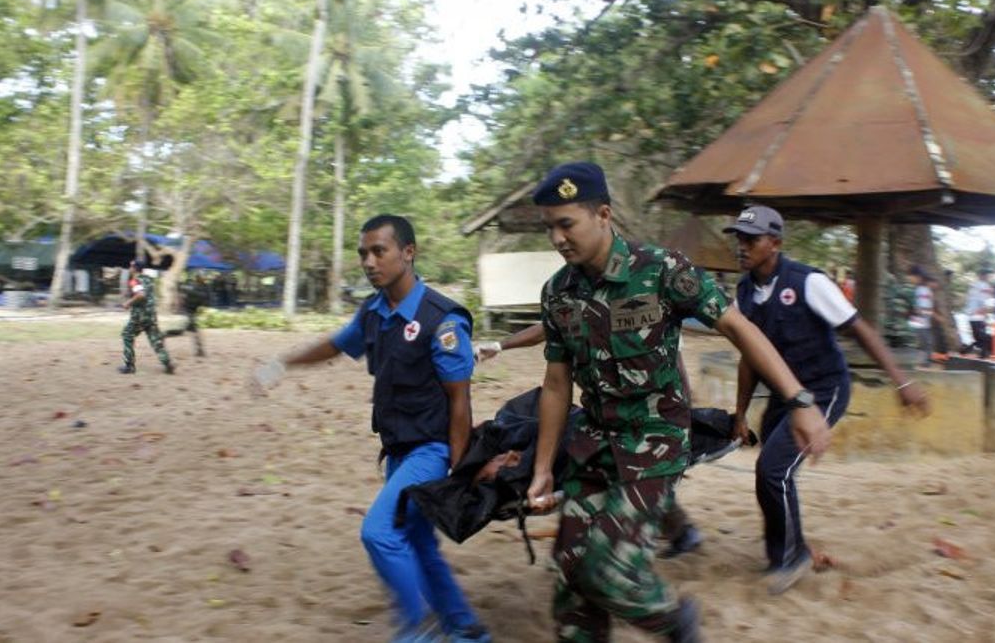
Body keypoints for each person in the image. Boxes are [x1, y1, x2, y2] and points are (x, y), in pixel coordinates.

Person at [523, 163, 832, 642]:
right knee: (570, 571)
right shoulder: (558, 293)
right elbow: (557, 382)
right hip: (593, 445)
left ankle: (675, 623)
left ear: (603, 215)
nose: (558, 238)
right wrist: (544, 465)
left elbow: (738, 328)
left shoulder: (662, 270)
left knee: (607, 568)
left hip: (654, 442)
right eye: (550, 227)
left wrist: (799, 400)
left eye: (567, 223)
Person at [249, 215, 491, 643]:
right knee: (418, 542)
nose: (369, 261)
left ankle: (419, 630)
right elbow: (337, 345)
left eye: (379, 250)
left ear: (408, 252)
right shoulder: (375, 312)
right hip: (397, 451)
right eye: (363, 252)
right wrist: (281, 363)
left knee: (378, 533)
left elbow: (460, 401)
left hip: (431, 451)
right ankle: (465, 627)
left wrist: (459, 470)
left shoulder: (442, 319)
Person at [723, 205, 930, 595]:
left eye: (751, 239)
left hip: (825, 388)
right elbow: (749, 359)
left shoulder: (808, 282)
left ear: (776, 243)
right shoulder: (744, 292)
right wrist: (739, 413)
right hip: (785, 396)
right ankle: (789, 549)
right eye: (739, 238)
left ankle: (791, 558)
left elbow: (861, 330)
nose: (742, 246)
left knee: (773, 470)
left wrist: (902, 383)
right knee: (773, 472)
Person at [476, 324, 704, 559]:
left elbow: (676, 361)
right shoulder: (576, 294)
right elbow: (548, 326)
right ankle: (678, 532)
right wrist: (500, 345)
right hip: (605, 412)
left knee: (633, 477)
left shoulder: (651, 300)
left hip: (648, 414)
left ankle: (668, 536)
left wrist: (681, 417)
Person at [119, 260, 174, 374]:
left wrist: (127, 303)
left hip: (140, 316)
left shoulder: (135, 280)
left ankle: (129, 365)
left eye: (131, 266)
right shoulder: (149, 280)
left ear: (135, 269)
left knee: (127, 334)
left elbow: (141, 295)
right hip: (151, 315)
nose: (130, 268)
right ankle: (167, 363)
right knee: (155, 340)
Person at [165, 273, 208, 357]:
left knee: (184, 330)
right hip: (187, 311)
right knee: (186, 330)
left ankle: (200, 350)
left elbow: (182, 293)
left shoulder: (196, 288)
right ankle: (200, 350)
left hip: (188, 311)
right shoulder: (200, 289)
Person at [906, 266, 935, 367]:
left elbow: (923, 307)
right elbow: (923, 307)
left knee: (923, 341)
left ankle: (925, 362)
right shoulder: (922, 290)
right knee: (924, 341)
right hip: (920, 319)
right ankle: (924, 362)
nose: (909, 279)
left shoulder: (922, 290)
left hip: (920, 318)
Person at [963, 269, 994, 358]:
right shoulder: (983, 286)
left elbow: (972, 300)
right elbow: (985, 302)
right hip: (978, 315)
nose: (987, 277)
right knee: (982, 337)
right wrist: (984, 312)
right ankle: (981, 354)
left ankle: (970, 350)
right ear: (981, 275)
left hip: (972, 315)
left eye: (987, 275)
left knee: (979, 337)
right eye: (986, 275)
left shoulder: (974, 286)